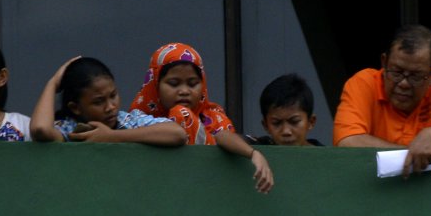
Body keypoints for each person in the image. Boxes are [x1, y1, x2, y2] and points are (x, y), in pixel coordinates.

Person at [332, 25, 431, 175]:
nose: (404, 83)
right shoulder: (364, 82)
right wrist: (415, 151)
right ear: (384, 62)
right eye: (396, 72)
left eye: (415, 76)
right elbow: (347, 142)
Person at [131, 42, 274, 193]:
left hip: (206, 192)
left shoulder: (214, 118)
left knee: (181, 114)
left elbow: (222, 136)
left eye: (193, 84)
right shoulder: (137, 120)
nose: (184, 91)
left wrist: (253, 153)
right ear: (155, 84)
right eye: (174, 84)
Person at [29, 56, 185, 145]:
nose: (110, 107)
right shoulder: (70, 130)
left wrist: (111, 136)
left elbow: (177, 134)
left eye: (113, 95)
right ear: (75, 107)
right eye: (98, 102)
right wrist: (53, 83)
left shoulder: (129, 121)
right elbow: (40, 130)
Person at [252, 73, 322, 146]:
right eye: (276, 123)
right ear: (266, 125)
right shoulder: (256, 151)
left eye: (294, 121)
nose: (286, 131)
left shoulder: (327, 156)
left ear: (311, 122)